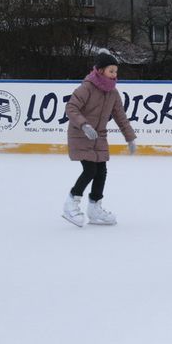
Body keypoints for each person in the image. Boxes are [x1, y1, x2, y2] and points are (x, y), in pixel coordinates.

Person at [62, 49, 137, 227]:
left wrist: (130, 138)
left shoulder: (113, 93)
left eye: (116, 71)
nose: (114, 74)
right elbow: (71, 108)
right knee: (90, 170)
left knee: (101, 171)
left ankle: (95, 207)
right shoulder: (87, 87)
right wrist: (84, 125)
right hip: (81, 134)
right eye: (111, 71)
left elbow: (121, 117)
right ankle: (70, 203)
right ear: (100, 70)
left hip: (99, 137)